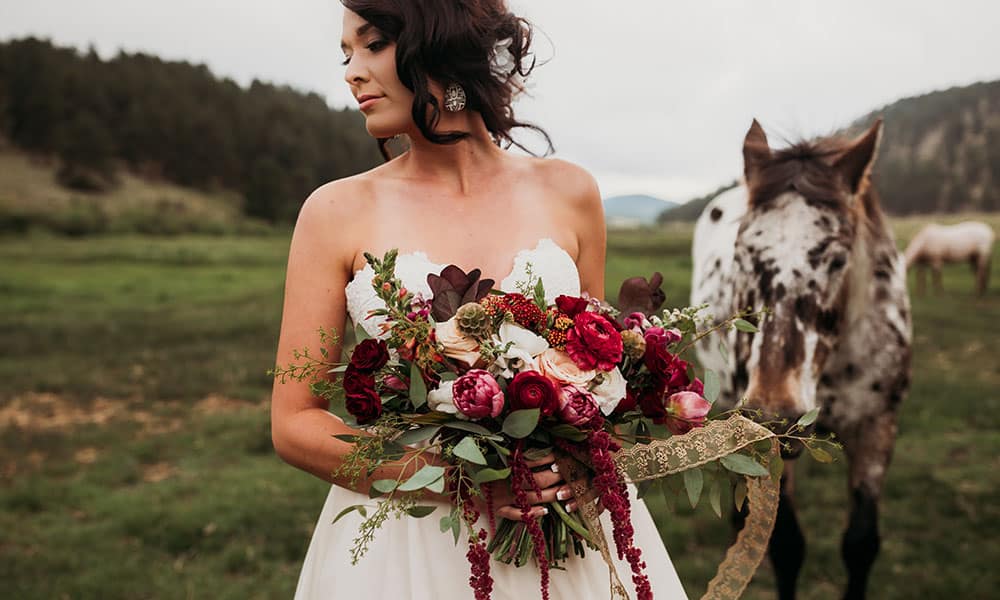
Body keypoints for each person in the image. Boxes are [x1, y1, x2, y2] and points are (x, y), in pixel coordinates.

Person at [270, 1, 688, 598]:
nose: (352, 72)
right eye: (346, 54)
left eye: (373, 44)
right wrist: (456, 478)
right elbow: (293, 423)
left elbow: (602, 378)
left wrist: (574, 458)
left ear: (441, 40)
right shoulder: (334, 211)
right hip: (410, 546)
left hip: (568, 534)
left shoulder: (570, 192)